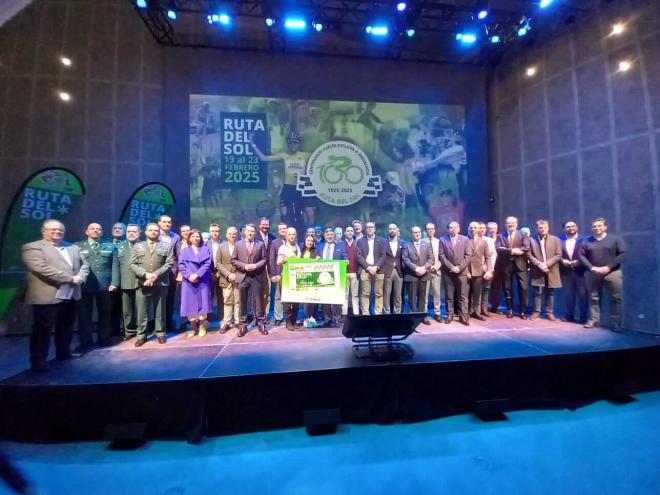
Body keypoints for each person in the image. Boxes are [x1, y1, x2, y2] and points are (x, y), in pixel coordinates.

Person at [22, 220, 88, 371]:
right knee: (42, 329)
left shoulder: (73, 247)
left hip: (71, 294)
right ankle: (38, 362)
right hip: (47, 295)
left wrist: (81, 277)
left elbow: (85, 265)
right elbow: (41, 268)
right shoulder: (33, 247)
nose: (57, 232)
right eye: (53, 230)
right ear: (44, 231)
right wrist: (71, 278)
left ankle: (64, 352)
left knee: (66, 325)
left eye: (60, 230)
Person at [250, 132, 314, 226]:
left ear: (299, 144)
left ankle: (310, 234)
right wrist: (253, 144)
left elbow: (322, 156)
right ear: (288, 144)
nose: (293, 145)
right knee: (284, 213)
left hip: (302, 187)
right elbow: (264, 158)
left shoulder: (306, 155)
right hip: (288, 187)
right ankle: (284, 235)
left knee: (309, 212)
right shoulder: (284, 155)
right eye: (290, 143)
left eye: (295, 143)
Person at [75, 223, 119, 351]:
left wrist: (114, 282)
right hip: (85, 285)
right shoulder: (77, 246)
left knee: (105, 314)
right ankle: (85, 341)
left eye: (98, 229)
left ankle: (104, 338)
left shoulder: (110, 246)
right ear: (86, 231)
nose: (96, 230)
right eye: (93, 229)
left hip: (104, 285)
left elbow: (115, 266)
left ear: (102, 232)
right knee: (84, 315)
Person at [131, 222, 175, 346]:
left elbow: (169, 263)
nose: (153, 232)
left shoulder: (167, 246)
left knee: (160, 310)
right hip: (142, 283)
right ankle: (141, 335)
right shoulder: (137, 246)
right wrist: (145, 275)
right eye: (150, 230)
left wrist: (155, 275)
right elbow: (133, 264)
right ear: (145, 232)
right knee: (142, 311)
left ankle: (160, 333)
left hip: (160, 282)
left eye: (156, 230)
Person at [579, 218, 626, 331]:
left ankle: (616, 323)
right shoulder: (586, 241)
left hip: (613, 273)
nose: (597, 228)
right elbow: (581, 256)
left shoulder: (615, 239)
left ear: (605, 227)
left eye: (599, 226)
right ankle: (594, 320)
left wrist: (608, 267)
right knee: (593, 298)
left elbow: (622, 254)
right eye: (594, 226)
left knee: (616, 299)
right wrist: (592, 268)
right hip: (592, 274)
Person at [231, 223, 268, 337]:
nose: (250, 233)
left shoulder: (260, 244)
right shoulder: (238, 244)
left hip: (257, 276)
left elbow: (265, 259)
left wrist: (256, 266)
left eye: (252, 231)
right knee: (243, 302)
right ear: (245, 232)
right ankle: (243, 325)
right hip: (243, 276)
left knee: (259, 301)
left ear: (255, 233)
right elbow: (233, 260)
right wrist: (244, 266)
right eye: (248, 231)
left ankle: (261, 324)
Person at [179, 230, 213, 338]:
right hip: (189, 281)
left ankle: (202, 326)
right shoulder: (184, 250)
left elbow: (207, 263)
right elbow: (181, 265)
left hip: (202, 279)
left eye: (197, 236)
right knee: (190, 304)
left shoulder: (205, 249)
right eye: (193, 236)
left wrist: (197, 275)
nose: (195, 238)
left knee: (203, 304)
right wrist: (189, 276)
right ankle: (193, 327)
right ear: (189, 238)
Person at [496, 216, 530, 319]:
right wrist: (512, 251)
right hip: (506, 265)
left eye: (513, 223)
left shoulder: (523, 234)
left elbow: (526, 247)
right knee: (507, 288)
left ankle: (522, 311)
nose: (511, 225)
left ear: (517, 223)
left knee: (523, 288)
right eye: (508, 223)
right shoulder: (501, 235)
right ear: (505, 224)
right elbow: (498, 248)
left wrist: (512, 249)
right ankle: (510, 309)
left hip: (520, 265)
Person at [439, 221, 472, 326]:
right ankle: (450, 314)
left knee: (462, 295)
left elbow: (468, 256)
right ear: (448, 229)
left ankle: (463, 315)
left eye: (455, 227)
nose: (453, 229)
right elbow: (442, 255)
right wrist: (452, 267)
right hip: (448, 272)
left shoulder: (465, 239)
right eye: (451, 228)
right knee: (449, 295)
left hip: (461, 272)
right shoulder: (442, 240)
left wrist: (459, 267)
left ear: (458, 228)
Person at [528, 220, 562, 321]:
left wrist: (546, 264)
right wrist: (539, 264)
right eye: (540, 228)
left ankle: (549, 312)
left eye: (544, 227)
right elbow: (528, 254)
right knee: (537, 291)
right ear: (536, 228)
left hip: (551, 269)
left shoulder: (556, 240)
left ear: (548, 228)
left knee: (550, 291)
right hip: (537, 269)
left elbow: (558, 255)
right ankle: (536, 311)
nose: (542, 229)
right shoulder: (531, 240)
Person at [402, 226, 433, 324]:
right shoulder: (406, 245)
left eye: (419, 232)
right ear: (411, 234)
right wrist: (416, 268)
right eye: (415, 232)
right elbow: (405, 259)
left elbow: (430, 259)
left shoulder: (426, 244)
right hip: (412, 275)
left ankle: (421, 317)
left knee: (422, 297)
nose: (417, 234)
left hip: (424, 275)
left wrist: (424, 268)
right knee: (412, 298)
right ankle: (413, 317)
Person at [116, 224, 141, 341]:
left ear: (139, 233)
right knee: (127, 310)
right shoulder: (119, 247)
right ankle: (129, 331)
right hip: (125, 282)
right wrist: (116, 282)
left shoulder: (144, 246)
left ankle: (142, 330)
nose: (131, 233)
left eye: (134, 232)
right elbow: (115, 266)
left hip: (141, 282)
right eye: (129, 231)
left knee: (142, 309)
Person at [560, 220, 588, 323]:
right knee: (569, 295)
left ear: (577, 227)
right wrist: (562, 261)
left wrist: (580, 261)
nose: (570, 228)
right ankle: (569, 316)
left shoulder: (585, 239)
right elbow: (557, 255)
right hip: (566, 272)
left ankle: (583, 318)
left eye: (573, 226)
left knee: (583, 295)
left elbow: (589, 254)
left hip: (582, 272)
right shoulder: (560, 241)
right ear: (564, 229)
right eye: (567, 227)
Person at [356, 221, 387, 315]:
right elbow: (358, 256)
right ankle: (365, 313)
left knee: (379, 293)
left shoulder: (381, 240)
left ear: (375, 229)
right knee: (365, 293)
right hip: (365, 269)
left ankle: (378, 313)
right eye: (368, 227)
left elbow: (383, 255)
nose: (370, 229)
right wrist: (369, 267)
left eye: (371, 227)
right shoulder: (360, 241)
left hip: (379, 270)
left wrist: (376, 267)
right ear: (365, 229)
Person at [318, 227, 347, 327]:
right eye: (328, 235)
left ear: (334, 236)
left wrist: (346, 260)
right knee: (325, 299)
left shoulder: (340, 246)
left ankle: (336, 318)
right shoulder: (320, 246)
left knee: (336, 298)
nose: (330, 237)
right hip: (323, 276)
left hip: (336, 276)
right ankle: (327, 318)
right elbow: (317, 256)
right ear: (325, 236)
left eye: (331, 235)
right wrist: (317, 258)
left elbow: (344, 256)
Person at [158, 215, 181, 332]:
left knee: (170, 299)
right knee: (157, 300)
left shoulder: (175, 237)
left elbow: (179, 256)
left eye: (169, 222)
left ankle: (168, 324)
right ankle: (158, 326)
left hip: (171, 273)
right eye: (164, 222)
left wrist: (178, 273)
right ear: (159, 223)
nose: (167, 224)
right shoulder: (154, 235)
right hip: (156, 273)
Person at [216, 226, 241, 333]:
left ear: (237, 235)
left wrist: (236, 275)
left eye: (234, 234)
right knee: (227, 301)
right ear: (226, 235)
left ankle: (238, 321)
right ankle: (226, 323)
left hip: (238, 278)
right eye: (230, 234)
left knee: (238, 300)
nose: (232, 235)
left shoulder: (240, 246)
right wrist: (228, 274)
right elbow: (217, 263)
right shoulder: (221, 247)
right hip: (226, 279)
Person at [467, 221, 493, 321]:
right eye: (471, 227)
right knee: (467, 293)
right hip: (467, 271)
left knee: (477, 292)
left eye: (475, 227)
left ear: (478, 229)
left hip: (478, 270)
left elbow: (488, 257)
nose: (473, 229)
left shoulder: (484, 241)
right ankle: (468, 311)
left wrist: (489, 270)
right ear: (468, 229)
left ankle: (476, 312)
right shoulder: (465, 240)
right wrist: (466, 271)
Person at [277, 227, 302, 330]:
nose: (292, 236)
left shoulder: (298, 247)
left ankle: (294, 321)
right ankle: (288, 322)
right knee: (288, 301)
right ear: (286, 236)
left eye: (293, 234)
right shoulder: (283, 248)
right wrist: (285, 260)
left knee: (296, 300)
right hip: (286, 276)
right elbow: (278, 262)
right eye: (290, 234)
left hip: (297, 276)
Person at [268, 222, 288, 326]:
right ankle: (278, 317)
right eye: (280, 229)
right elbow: (271, 260)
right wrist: (274, 274)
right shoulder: (275, 242)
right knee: (278, 297)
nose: (283, 230)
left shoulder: (293, 241)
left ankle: (290, 316)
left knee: (290, 296)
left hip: (291, 274)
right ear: (278, 231)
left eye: (284, 228)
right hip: (279, 274)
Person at [382, 223, 404, 314]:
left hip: (399, 271)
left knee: (398, 296)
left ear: (397, 230)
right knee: (386, 295)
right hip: (387, 271)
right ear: (388, 230)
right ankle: (386, 314)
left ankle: (397, 313)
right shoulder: (383, 242)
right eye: (390, 229)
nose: (392, 230)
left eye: (393, 228)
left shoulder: (402, 243)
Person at [257, 217, 276, 321]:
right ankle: (256, 315)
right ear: (259, 225)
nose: (265, 226)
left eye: (267, 225)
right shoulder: (255, 237)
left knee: (267, 293)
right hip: (256, 269)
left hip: (268, 269)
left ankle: (265, 315)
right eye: (263, 224)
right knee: (256, 293)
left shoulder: (273, 238)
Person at [110, 222, 126, 336]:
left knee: (127, 308)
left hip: (127, 281)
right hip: (111, 282)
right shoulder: (105, 244)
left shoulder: (129, 244)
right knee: (112, 308)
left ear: (125, 231)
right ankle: (114, 332)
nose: (117, 230)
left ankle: (128, 331)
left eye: (120, 228)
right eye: (115, 228)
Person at [300, 233, 320, 324]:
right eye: (308, 240)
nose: (310, 242)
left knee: (314, 299)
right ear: (304, 241)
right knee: (306, 299)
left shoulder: (316, 251)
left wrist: (319, 259)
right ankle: (306, 317)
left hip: (314, 278)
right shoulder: (300, 251)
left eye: (311, 241)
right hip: (303, 278)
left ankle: (313, 316)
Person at [425, 222, 443, 321]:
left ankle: (437, 313)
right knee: (425, 294)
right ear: (426, 230)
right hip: (426, 272)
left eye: (432, 229)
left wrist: (437, 266)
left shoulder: (439, 241)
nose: (430, 230)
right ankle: (425, 314)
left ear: (435, 230)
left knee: (437, 293)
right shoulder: (423, 242)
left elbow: (442, 256)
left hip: (436, 271)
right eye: (428, 229)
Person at [206, 223, 224, 323]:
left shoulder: (224, 243)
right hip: (209, 275)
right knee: (208, 297)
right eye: (213, 231)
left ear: (219, 231)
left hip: (222, 275)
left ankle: (222, 318)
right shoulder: (205, 244)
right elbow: (203, 262)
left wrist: (220, 273)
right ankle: (207, 319)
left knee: (222, 297)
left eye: (216, 231)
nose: (215, 233)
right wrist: (211, 274)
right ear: (210, 232)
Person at [479, 222, 497, 317]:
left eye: (483, 228)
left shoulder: (489, 240)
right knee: (476, 290)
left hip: (488, 269)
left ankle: (484, 309)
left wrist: (490, 268)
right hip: (476, 269)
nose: (482, 230)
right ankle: (476, 310)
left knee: (486, 289)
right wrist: (481, 265)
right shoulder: (471, 239)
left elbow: (493, 254)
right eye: (480, 228)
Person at [342, 226, 360, 317]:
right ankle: (344, 315)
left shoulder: (358, 244)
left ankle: (356, 313)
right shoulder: (341, 244)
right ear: (344, 233)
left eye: (351, 231)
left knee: (355, 295)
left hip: (355, 273)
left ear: (353, 233)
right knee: (344, 295)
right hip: (344, 273)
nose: (349, 232)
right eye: (348, 231)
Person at [485, 221, 503, 314]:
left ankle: (495, 307)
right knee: (485, 288)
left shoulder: (501, 238)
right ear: (487, 229)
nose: (492, 230)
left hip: (498, 267)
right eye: (490, 228)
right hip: (485, 267)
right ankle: (484, 307)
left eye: (494, 229)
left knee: (496, 288)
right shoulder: (483, 239)